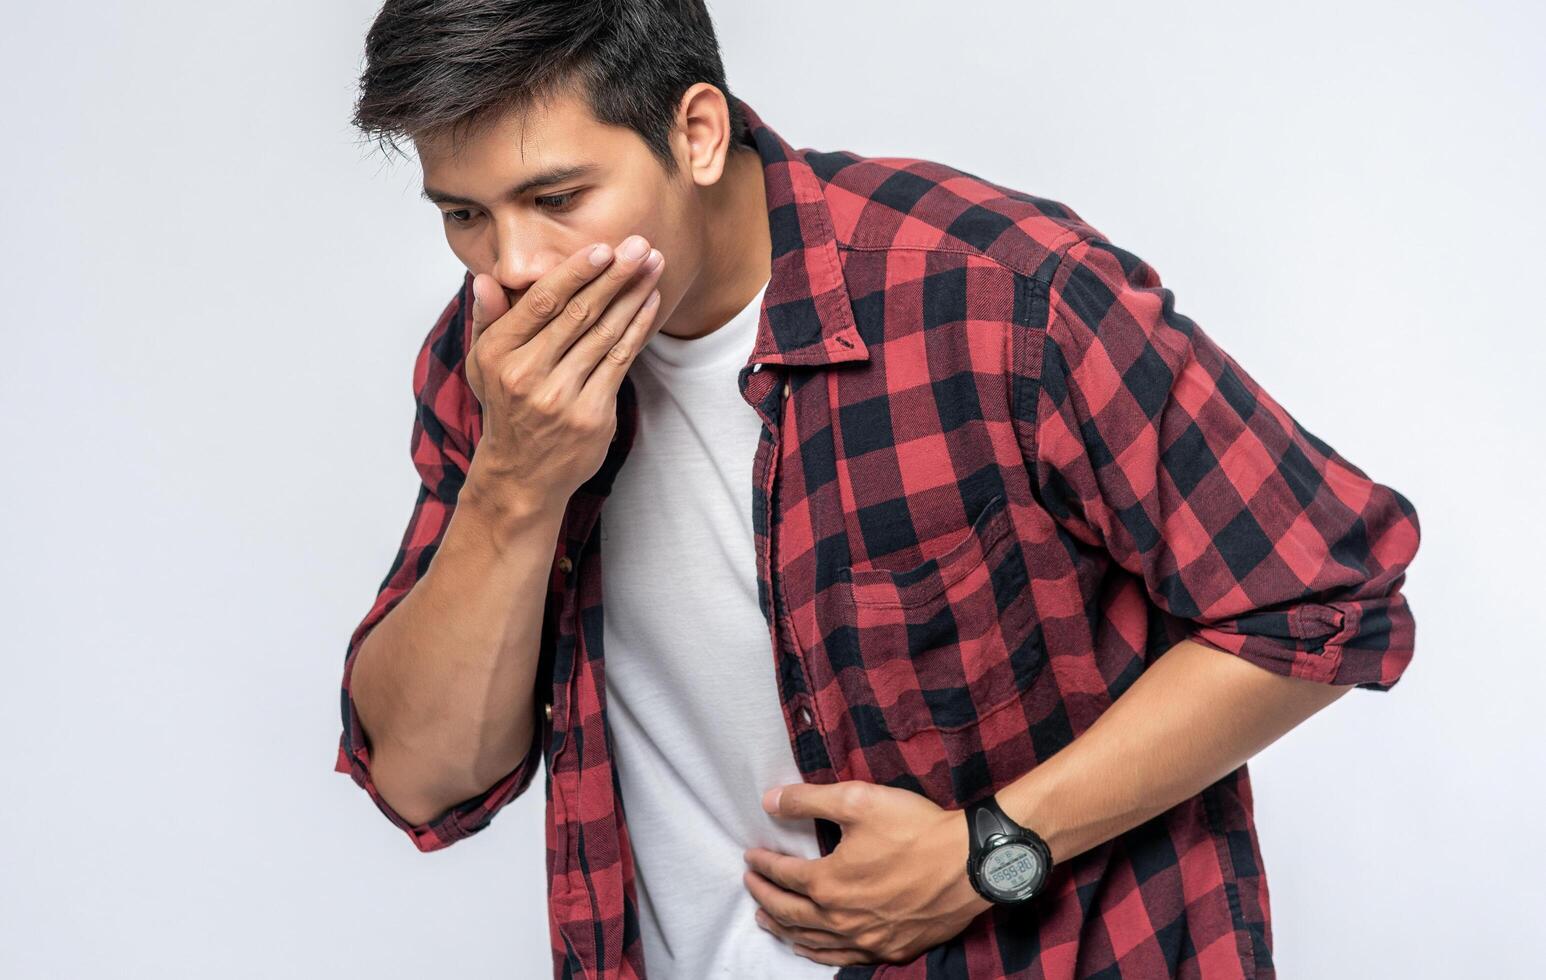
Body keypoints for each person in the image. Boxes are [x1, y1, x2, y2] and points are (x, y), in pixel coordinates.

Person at [332, 2, 1422, 978]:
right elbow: (423, 778)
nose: (512, 263)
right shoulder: (494, 367)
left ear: (695, 133)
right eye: (464, 215)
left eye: (555, 196)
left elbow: (1321, 599)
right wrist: (514, 485)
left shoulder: (996, 296)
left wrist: (991, 847)